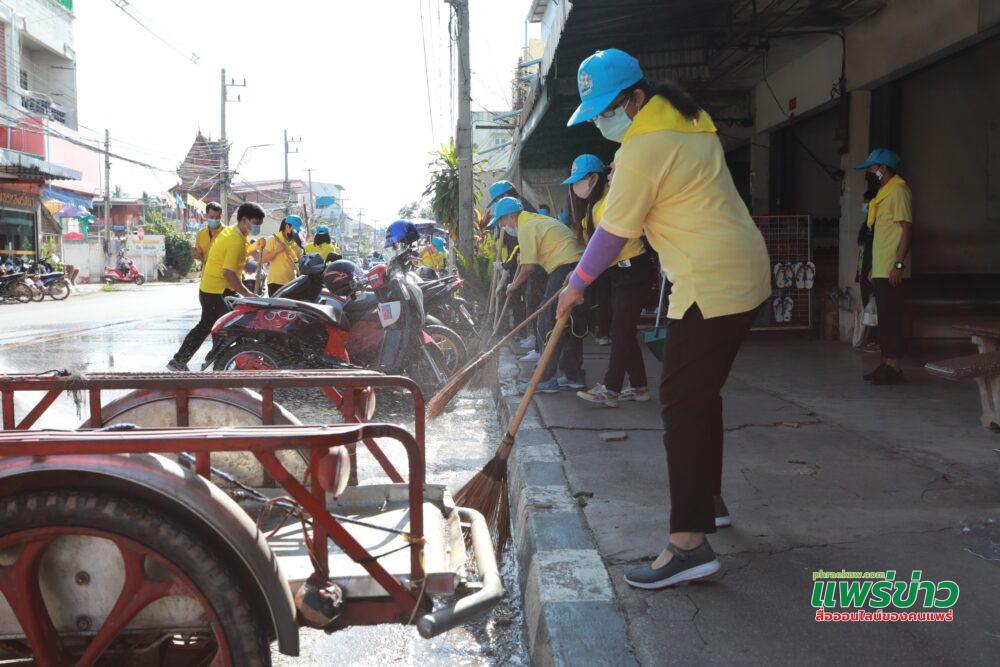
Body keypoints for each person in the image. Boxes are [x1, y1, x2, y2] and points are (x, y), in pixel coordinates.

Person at [556, 49, 770, 589]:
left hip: (709, 282)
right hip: (743, 272)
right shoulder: (691, 121)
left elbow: (614, 232)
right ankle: (708, 503)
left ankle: (688, 545)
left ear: (635, 98)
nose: (603, 121)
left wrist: (576, 284)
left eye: (608, 110)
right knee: (701, 396)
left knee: (680, 404)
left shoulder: (643, 148)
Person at [564, 153, 656, 407]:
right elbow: (592, 249)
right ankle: (639, 387)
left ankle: (611, 389)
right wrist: (577, 274)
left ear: (594, 178)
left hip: (632, 269)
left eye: (580, 180)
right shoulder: (593, 208)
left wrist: (580, 280)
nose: (576, 187)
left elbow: (607, 247)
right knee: (623, 330)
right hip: (619, 273)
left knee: (620, 331)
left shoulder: (610, 202)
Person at [495, 196, 586, 392]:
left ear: (510, 216)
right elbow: (529, 260)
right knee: (568, 323)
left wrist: (513, 285)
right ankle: (574, 375)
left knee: (547, 322)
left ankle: (544, 378)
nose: (502, 226)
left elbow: (528, 268)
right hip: (577, 266)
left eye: (501, 220)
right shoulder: (533, 220)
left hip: (564, 267)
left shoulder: (526, 227)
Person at [168, 203, 265, 371]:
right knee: (233, 326)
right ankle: (215, 362)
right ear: (244, 220)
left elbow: (237, 256)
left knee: (211, 326)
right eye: (255, 223)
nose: (257, 227)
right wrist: (247, 294)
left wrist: (254, 247)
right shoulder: (234, 239)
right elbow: (228, 273)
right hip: (215, 291)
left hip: (216, 289)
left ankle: (184, 361)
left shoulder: (234, 233)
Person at [854, 148, 912, 385]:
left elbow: (906, 230)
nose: (869, 172)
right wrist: (873, 267)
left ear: (883, 168)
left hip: (892, 269)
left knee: (892, 316)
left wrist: (898, 264)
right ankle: (887, 362)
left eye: (872, 168)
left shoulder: (899, 191)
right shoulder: (883, 193)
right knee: (884, 319)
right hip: (881, 267)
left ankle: (895, 367)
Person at [261, 215, 304, 295]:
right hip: (275, 283)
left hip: (291, 283)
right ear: (287, 227)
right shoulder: (273, 239)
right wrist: (278, 251)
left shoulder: (297, 244)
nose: (297, 232)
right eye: (295, 229)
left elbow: (300, 263)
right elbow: (263, 260)